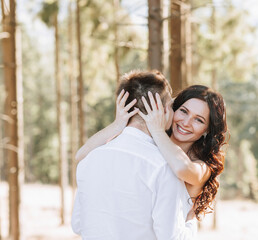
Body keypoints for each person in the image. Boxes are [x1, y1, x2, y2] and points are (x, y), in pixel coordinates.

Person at [71, 70, 197, 239]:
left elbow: (78, 224)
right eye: (172, 106)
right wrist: (191, 221)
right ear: (163, 110)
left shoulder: (90, 160)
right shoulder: (163, 167)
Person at [76, 84, 228, 222]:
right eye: (183, 111)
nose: (186, 122)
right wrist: (117, 125)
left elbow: (181, 168)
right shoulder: (149, 146)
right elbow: (82, 156)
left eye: (199, 120)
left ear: (206, 131)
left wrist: (157, 130)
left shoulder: (201, 168)